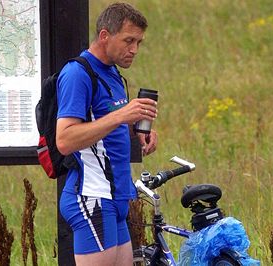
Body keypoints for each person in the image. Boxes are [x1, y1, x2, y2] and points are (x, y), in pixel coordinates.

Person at [56, 2, 157, 265]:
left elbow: (106, 127)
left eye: (139, 42)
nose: (134, 49)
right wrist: (122, 115)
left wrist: (137, 131)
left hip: (117, 196)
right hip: (92, 198)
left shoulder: (112, 72)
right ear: (104, 36)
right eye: (128, 40)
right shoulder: (78, 73)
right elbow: (65, 140)